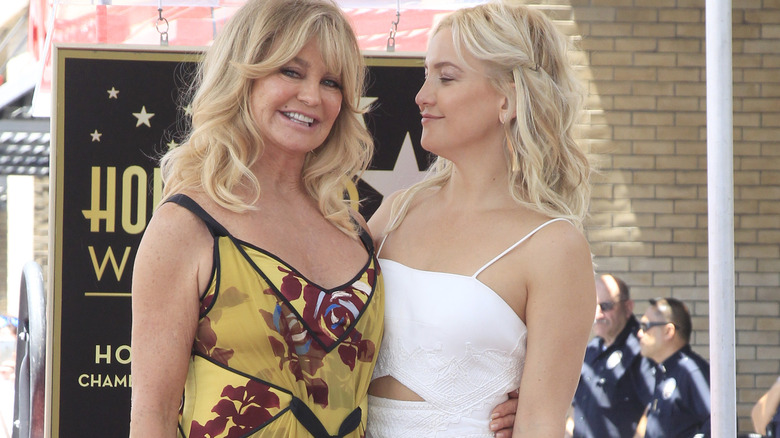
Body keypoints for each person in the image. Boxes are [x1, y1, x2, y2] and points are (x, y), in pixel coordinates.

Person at [129, 0, 386, 436]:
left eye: (331, 82)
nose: (312, 96)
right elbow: (151, 418)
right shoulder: (187, 227)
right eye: (291, 71)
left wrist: (506, 395)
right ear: (242, 74)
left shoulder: (355, 229)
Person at [364, 2, 596, 436]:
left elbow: (540, 423)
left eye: (446, 78)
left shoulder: (554, 246)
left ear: (508, 98)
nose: (421, 96)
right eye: (426, 75)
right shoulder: (395, 213)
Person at [568, 274, 655, 438]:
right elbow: (577, 403)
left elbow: (655, 407)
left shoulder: (641, 348)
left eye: (605, 306)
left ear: (628, 307)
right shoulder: (592, 348)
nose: (598, 314)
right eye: (593, 306)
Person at [637, 297, 711, 438]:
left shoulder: (691, 372)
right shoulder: (662, 371)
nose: (639, 334)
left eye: (645, 327)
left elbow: (718, 424)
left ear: (668, 331)